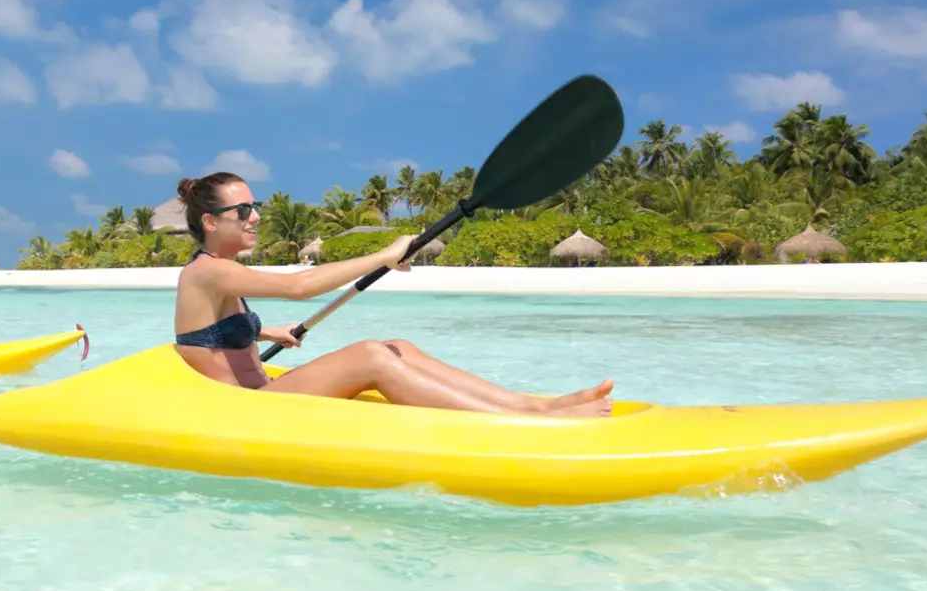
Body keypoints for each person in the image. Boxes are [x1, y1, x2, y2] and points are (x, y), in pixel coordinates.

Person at [173, 172, 613, 416]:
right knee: (369, 355)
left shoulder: (220, 273)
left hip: (265, 390)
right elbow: (298, 286)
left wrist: (267, 332)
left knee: (396, 347)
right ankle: (523, 422)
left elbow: (209, 335)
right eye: (244, 210)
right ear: (211, 222)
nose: (255, 217)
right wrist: (384, 255)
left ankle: (531, 405)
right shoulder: (208, 273)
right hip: (246, 410)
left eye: (258, 207)